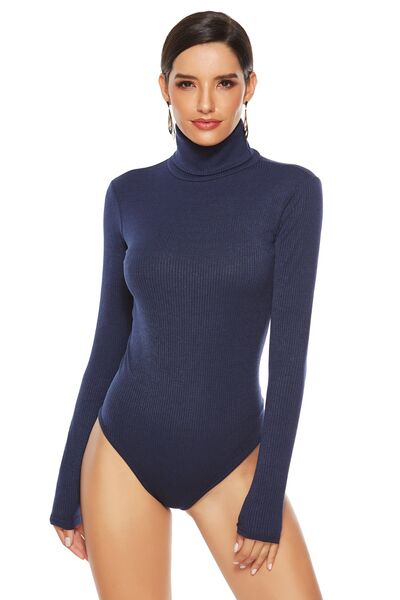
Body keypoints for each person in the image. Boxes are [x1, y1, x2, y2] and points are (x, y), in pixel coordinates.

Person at [50, 10, 324, 599]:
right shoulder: (128, 194)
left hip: (231, 460)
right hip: (122, 452)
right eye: (186, 83)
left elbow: (290, 359)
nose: (205, 103)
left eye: (224, 82)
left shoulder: (292, 192)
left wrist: (267, 496)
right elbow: (108, 341)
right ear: (163, 87)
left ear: (250, 86)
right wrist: (68, 480)